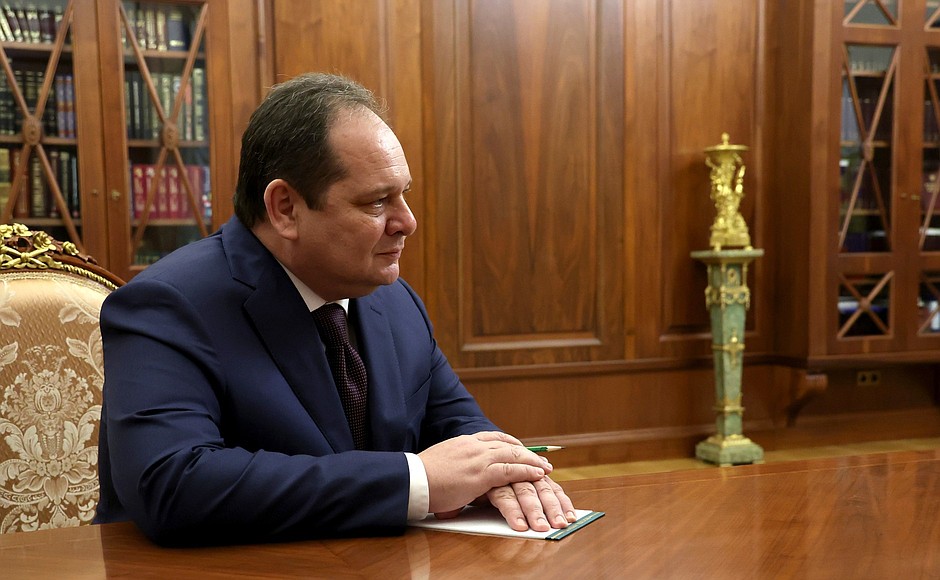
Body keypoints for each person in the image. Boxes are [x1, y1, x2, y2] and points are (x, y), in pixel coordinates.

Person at [95, 72, 576, 545]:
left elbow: (460, 427)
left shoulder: (395, 300)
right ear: (285, 208)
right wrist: (415, 481)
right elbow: (174, 484)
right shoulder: (167, 305)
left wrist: (508, 475)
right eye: (377, 202)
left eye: (404, 194)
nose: (407, 222)